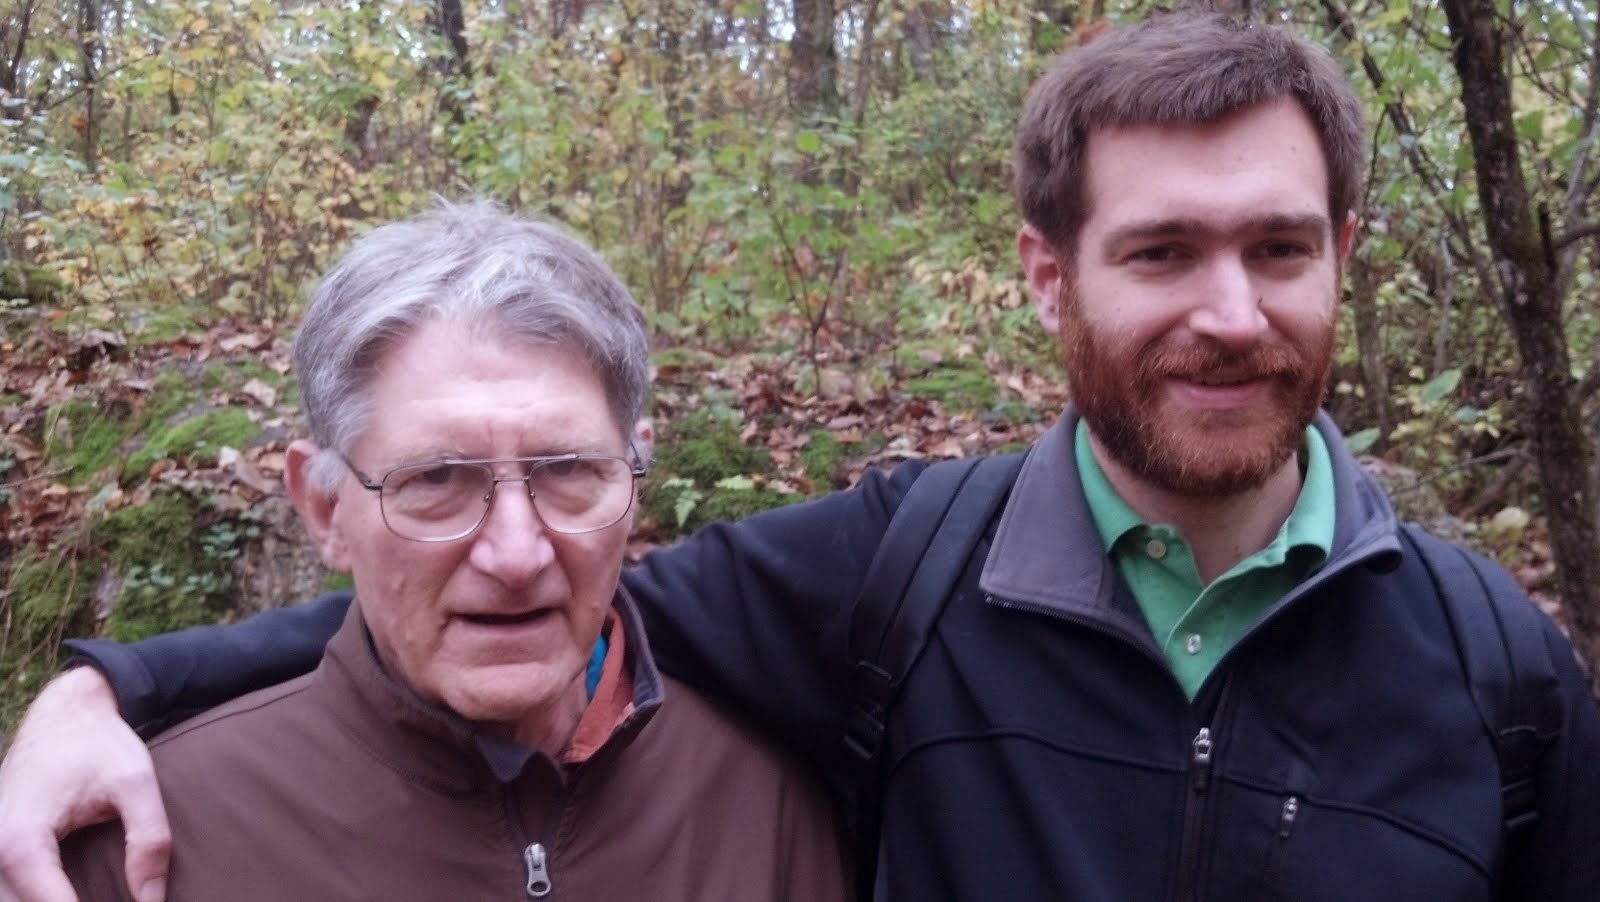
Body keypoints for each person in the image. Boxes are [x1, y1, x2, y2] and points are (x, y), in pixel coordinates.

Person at [4, 9, 1599, 901]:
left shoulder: (1501, 674)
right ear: (1051, 277)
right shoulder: (897, 584)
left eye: (1278, 247)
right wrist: (115, 685)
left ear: (1345, 255)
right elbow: (515, 602)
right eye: (1164, 250)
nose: (1230, 313)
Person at [19, 201, 849, 902]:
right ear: (325, 505)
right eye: (438, 478)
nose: (517, 554)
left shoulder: (762, 809)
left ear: (634, 474)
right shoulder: (148, 842)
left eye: (568, 471)